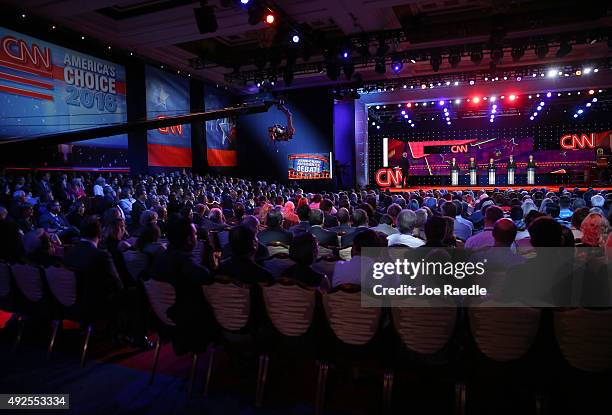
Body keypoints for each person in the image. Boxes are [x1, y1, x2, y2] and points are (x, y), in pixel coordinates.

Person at [150, 215, 215, 354]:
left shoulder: (161, 257)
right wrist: (209, 250)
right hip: (188, 320)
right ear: (188, 240)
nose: (197, 238)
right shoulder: (183, 260)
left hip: (164, 317)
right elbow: (207, 277)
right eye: (195, 234)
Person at [63, 216, 123, 312]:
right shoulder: (102, 255)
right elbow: (117, 285)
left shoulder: (69, 252)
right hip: (96, 305)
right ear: (100, 235)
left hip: (72, 303)